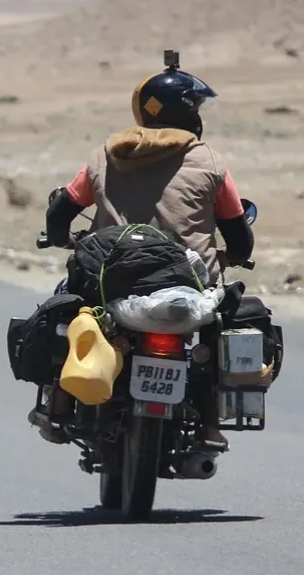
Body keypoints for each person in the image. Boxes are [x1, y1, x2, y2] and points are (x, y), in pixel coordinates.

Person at [36, 50, 255, 450]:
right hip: (189, 280)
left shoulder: (106, 155)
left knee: (69, 314)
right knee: (213, 332)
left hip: (111, 278)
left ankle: (59, 405)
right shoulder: (209, 161)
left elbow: (61, 212)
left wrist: (60, 236)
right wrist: (235, 254)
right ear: (189, 113)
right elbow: (240, 236)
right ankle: (209, 425)